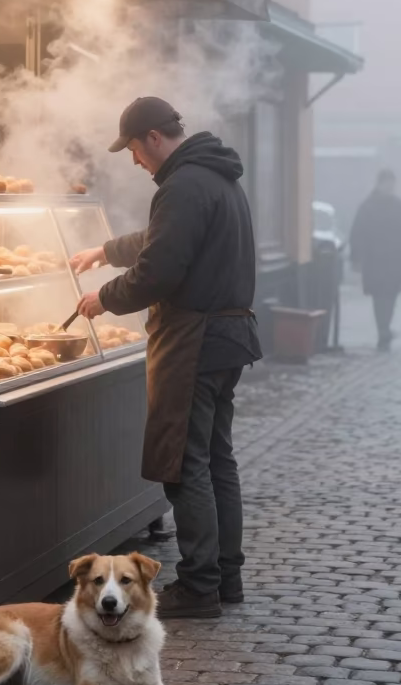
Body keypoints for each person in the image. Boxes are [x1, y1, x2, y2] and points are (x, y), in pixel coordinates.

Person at [71, 97, 261, 620]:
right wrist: (105, 251)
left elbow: (160, 270)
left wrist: (103, 297)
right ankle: (226, 578)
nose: (134, 161)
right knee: (217, 460)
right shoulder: (213, 176)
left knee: (185, 465)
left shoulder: (182, 185)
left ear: (154, 137)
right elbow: (166, 242)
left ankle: (199, 587)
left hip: (195, 340)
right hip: (228, 337)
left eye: (133, 148)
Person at [349, 169, 401, 351]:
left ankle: (384, 328)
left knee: (391, 294)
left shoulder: (399, 207)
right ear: (379, 184)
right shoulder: (368, 206)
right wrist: (356, 257)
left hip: (395, 259)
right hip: (374, 260)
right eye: (387, 183)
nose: (390, 187)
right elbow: (357, 232)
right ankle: (383, 329)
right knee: (379, 295)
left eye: (392, 184)